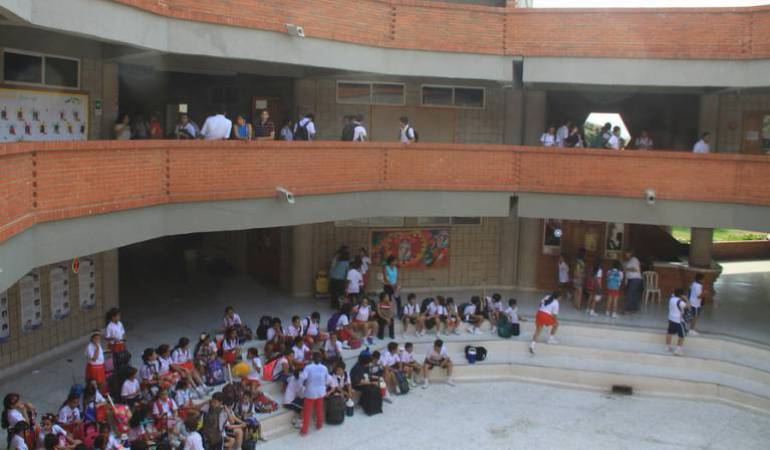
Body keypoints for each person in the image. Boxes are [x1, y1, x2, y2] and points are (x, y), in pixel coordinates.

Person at [298, 352, 328, 436]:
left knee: (307, 412)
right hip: (321, 392)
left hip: (310, 393)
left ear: (312, 358)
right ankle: (319, 425)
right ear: (321, 359)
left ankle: (304, 430)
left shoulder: (308, 367)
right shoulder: (324, 368)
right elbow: (327, 379)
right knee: (319, 410)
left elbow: (302, 377)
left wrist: (302, 384)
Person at [666, 288, 689, 356]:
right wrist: (687, 299)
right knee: (682, 335)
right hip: (679, 321)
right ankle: (678, 350)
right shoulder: (681, 302)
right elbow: (688, 307)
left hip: (671, 319)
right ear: (681, 295)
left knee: (669, 333)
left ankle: (668, 347)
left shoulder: (671, 299)